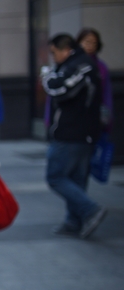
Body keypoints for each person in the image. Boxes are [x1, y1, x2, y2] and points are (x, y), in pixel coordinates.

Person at [42, 33, 106, 238]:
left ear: (65, 50)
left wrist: (47, 76)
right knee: (76, 180)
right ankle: (74, 221)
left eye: (54, 53)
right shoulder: (82, 64)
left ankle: (90, 210)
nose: (53, 58)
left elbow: (59, 89)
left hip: (72, 133)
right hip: (83, 133)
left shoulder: (80, 66)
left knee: (55, 177)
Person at [76, 28, 113, 134]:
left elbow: (106, 93)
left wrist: (108, 117)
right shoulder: (73, 64)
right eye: (87, 42)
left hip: (96, 115)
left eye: (94, 43)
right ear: (79, 42)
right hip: (75, 118)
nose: (90, 46)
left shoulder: (101, 67)